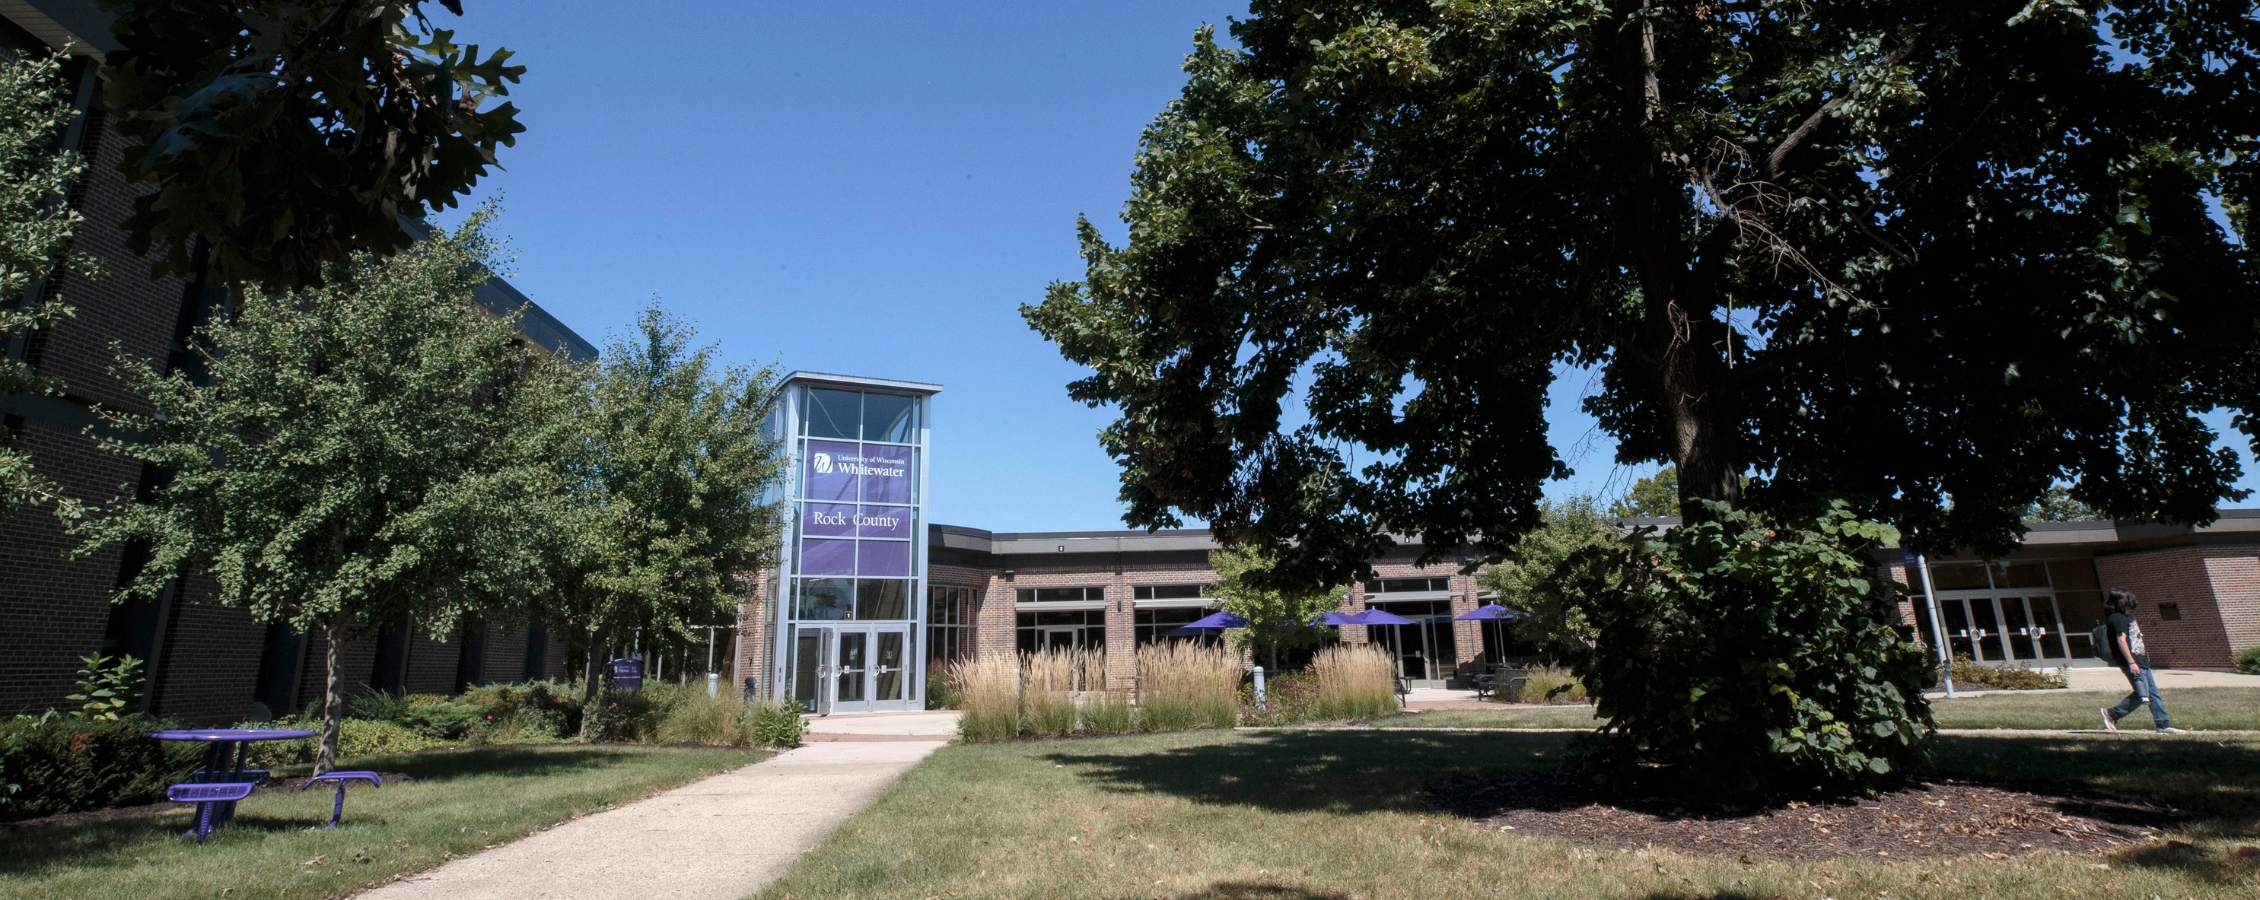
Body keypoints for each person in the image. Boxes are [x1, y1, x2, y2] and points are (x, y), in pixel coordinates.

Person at [2099, 588, 2187, 734]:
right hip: (2132, 662)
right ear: (2120, 602)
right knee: (2142, 695)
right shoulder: (2117, 618)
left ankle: (2163, 725)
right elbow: (2121, 641)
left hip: (2141, 661)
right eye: (2127, 599)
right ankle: (2112, 713)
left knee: (2153, 695)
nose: (2131, 602)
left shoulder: (2129, 618)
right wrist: (2132, 662)